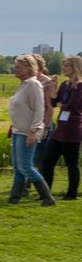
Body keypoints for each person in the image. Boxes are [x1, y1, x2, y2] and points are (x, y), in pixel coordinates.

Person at [6, 54, 54, 206]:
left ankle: (47, 197)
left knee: (25, 166)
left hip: (27, 132)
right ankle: (14, 198)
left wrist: (34, 131)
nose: (15, 69)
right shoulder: (24, 84)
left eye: (18, 67)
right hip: (17, 130)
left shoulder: (34, 85)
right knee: (18, 168)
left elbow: (39, 110)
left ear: (28, 68)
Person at [42, 55, 82, 201]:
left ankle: (72, 193)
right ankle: (45, 192)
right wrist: (53, 87)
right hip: (60, 128)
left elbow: (72, 106)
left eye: (66, 66)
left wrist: (61, 105)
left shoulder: (80, 85)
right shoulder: (65, 85)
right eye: (63, 65)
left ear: (74, 67)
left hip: (72, 128)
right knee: (48, 160)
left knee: (71, 163)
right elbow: (54, 103)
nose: (63, 68)